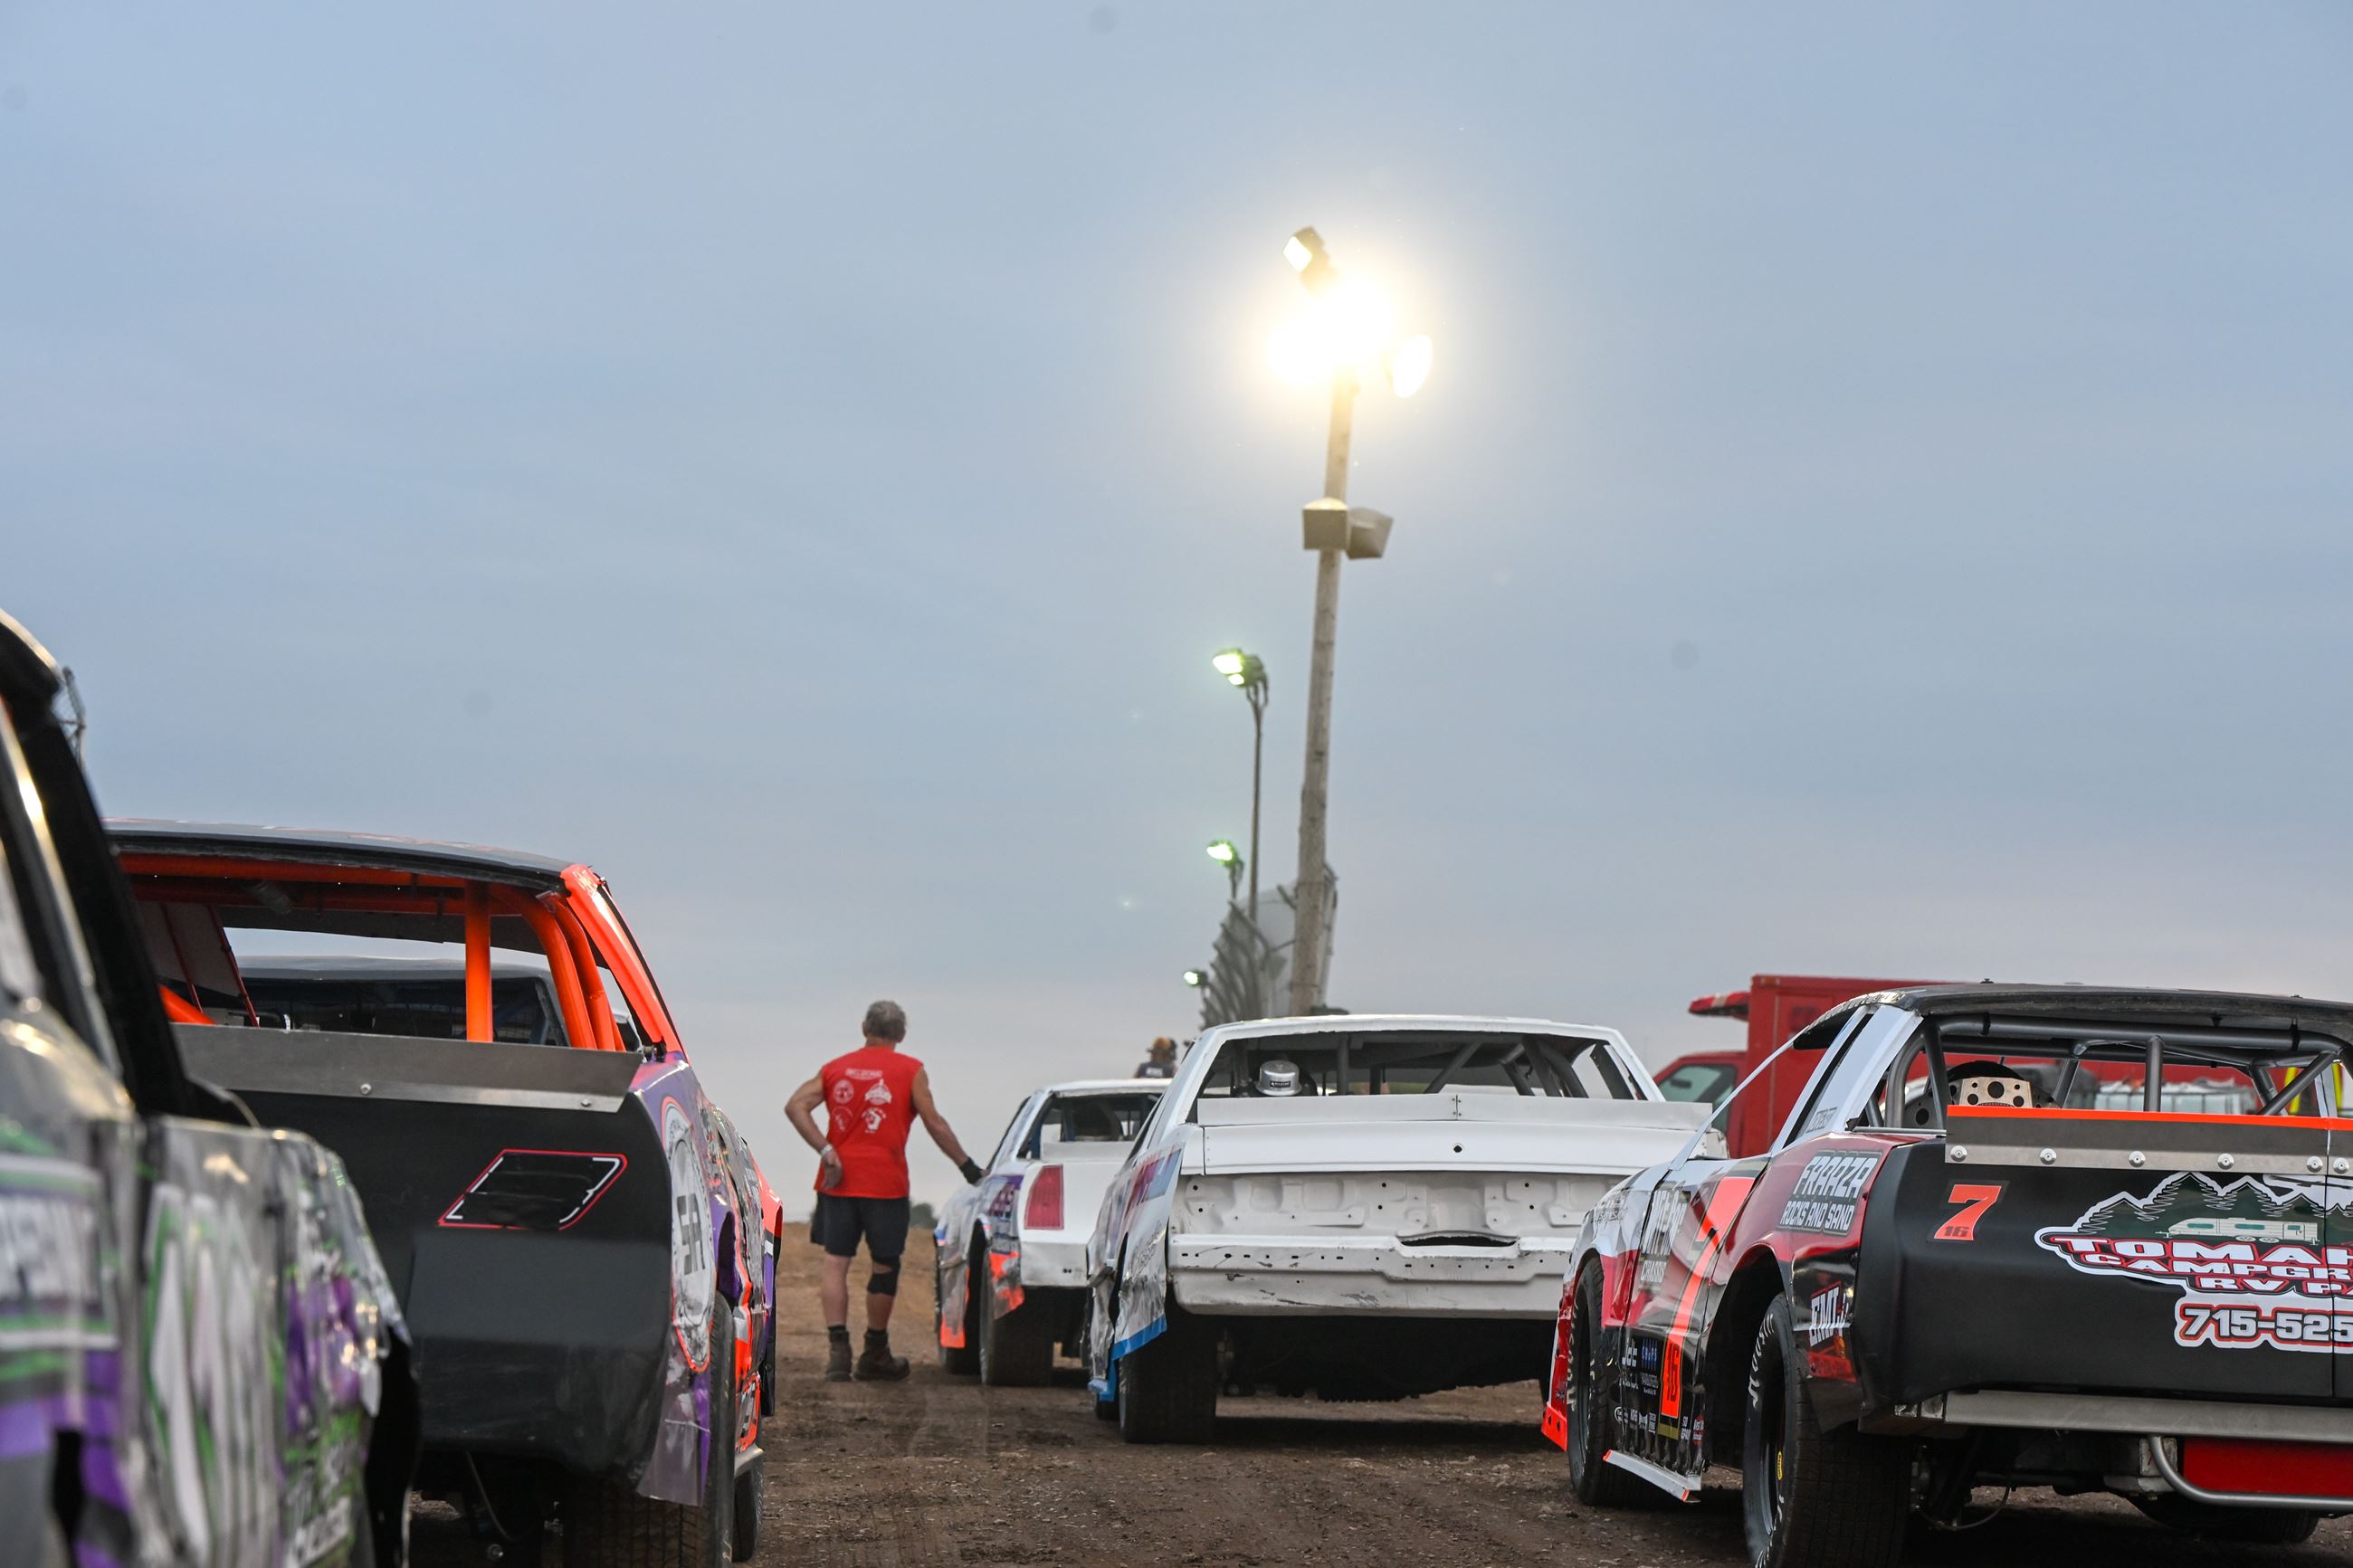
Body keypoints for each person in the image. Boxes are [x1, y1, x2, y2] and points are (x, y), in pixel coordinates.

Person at [786, 1000, 984, 1383]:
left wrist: (826, 1150)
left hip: (836, 1183)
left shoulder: (835, 1068)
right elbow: (934, 1123)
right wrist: (967, 1166)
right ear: (902, 1035)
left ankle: (838, 1354)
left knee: (835, 1263)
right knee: (884, 1265)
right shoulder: (911, 1071)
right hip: (886, 1186)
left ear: (864, 1027)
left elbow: (795, 1106)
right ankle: (875, 1351)